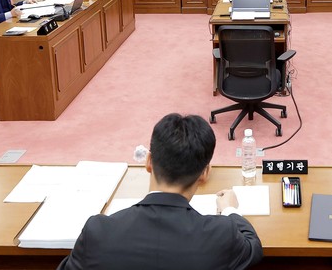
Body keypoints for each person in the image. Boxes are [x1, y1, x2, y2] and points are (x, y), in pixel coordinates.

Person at [57, 113, 263, 270]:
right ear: (204, 173)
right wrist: (229, 210)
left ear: (148, 162)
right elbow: (252, 246)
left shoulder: (98, 232)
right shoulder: (221, 234)